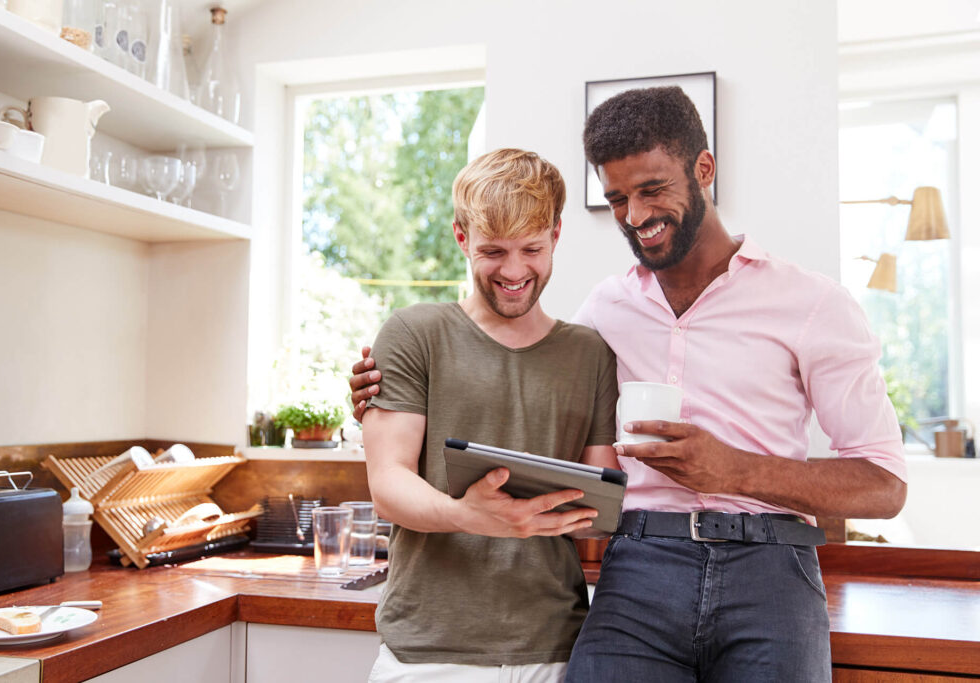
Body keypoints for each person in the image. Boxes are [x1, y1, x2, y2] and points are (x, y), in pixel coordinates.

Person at [351, 87, 908, 681]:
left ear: (704, 169)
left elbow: (885, 486)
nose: (635, 216)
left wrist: (736, 471)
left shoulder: (812, 303)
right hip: (638, 566)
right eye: (617, 198)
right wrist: (380, 396)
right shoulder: (604, 314)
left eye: (651, 189)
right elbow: (519, 370)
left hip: (769, 566)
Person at [360, 147, 620, 682]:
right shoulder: (414, 334)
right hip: (428, 653)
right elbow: (388, 483)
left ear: (556, 235)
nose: (514, 270)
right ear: (462, 238)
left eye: (531, 248)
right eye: (493, 251)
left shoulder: (591, 354)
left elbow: (599, 507)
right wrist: (467, 515)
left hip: (555, 649)